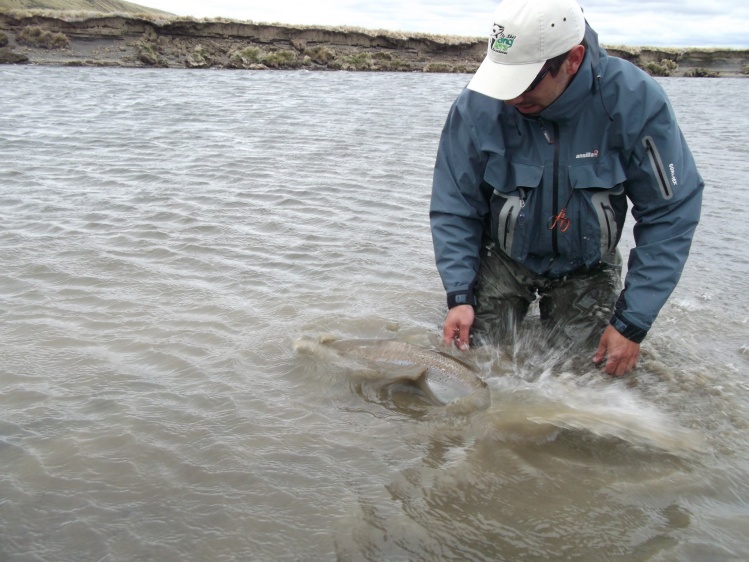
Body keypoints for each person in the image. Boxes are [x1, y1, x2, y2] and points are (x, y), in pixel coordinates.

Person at [429, 0, 703, 376]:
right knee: (470, 368)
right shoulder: (477, 105)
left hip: (587, 267)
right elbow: (455, 204)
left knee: (590, 382)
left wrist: (631, 323)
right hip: (503, 260)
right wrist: (459, 295)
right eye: (504, 80)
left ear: (573, 59)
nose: (510, 97)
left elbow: (671, 212)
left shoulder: (634, 101)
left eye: (524, 82)